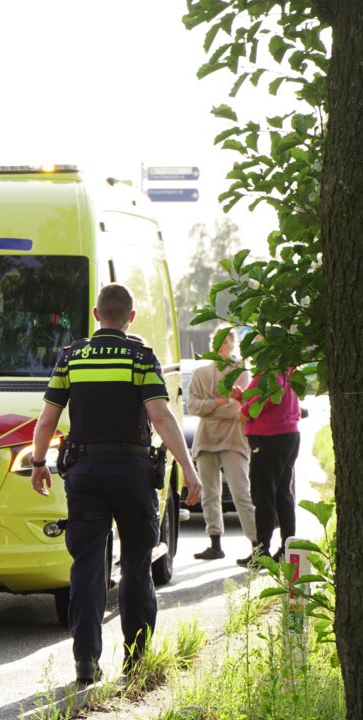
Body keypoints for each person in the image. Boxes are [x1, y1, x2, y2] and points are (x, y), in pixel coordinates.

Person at [29, 284, 203, 685]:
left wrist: (39, 463)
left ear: (95, 314)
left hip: (85, 474)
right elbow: (160, 417)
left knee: (87, 568)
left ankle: (86, 663)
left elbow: (47, 420)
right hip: (131, 472)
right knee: (137, 565)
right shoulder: (140, 356)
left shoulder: (72, 357)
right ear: (131, 317)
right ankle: (136, 661)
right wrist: (189, 471)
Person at [185, 329, 258, 560]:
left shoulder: (241, 372)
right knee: (209, 493)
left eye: (226, 341)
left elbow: (239, 409)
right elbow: (193, 407)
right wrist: (221, 401)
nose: (222, 346)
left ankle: (257, 545)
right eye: (218, 341)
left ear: (233, 344)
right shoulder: (200, 373)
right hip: (206, 439)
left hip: (233, 439)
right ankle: (215, 542)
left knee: (241, 492)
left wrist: (211, 408)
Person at [240, 353, 301, 566]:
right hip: (287, 435)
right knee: (282, 493)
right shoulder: (288, 373)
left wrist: (244, 411)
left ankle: (261, 551)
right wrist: (242, 398)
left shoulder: (272, 374)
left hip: (270, 438)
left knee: (263, 494)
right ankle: (287, 549)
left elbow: (264, 399)